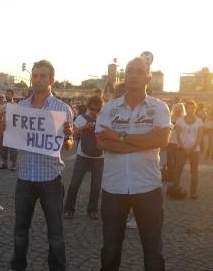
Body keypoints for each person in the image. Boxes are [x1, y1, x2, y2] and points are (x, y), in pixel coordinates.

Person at [96, 57, 171, 271]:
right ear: (124, 76)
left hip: (148, 187)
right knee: (110, 249)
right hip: (113, 187)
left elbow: (161, 139)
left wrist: (118, 137)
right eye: (130, 70)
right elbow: (101, 142)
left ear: (148, 78)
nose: (134, 74)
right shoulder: (109, 108)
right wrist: (141, 141)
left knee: (153, 250)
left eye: (140, 71)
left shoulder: (159, 108)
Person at [3, 60, 73, 271]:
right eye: (34, 76)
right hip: (24, 178)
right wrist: (4, 129)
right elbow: (11, 138)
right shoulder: (20, 108)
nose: (37, 80)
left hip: (51, 179)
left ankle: (58, 267)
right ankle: (18, 265)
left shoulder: (62, 109)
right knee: (20, 230)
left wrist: (68, 138)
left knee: (55, 233)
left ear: (51, 80)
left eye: (42, 76)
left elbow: (67, 146)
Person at [64, 96, 104, 220]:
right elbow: (72, 133)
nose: (95, 112)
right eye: (93, 109)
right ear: (88, 107)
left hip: (99, 156)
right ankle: (68, 209)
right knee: (75, 183)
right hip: (83, 155)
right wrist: (84, 127)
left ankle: (92, 210)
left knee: (96, 186)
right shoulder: (81, 118)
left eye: (98, 110)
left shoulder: (103, 120)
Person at [171, 100, 204, 199]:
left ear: (195, 109)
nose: (191, 110)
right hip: (181, 148)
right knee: (177, 170)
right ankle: (175, 190)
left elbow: (199, 136)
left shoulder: (199, 121)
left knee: (194, 171)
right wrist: (183, 147)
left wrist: (193, 147)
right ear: (186, 109)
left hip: (195, 150)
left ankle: (193, 192)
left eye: (193, 108)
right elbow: (178, 136)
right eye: (189, 108)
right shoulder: (180, 121)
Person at [0, 89, 18, 171]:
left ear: (12, 95)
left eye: (9, 94)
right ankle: (5, 164)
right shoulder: (3, 106)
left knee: (13, 149)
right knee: (2, 148)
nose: (7, 95)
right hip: (3, 130)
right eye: (6, 94)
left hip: (12, 130)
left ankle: (13, 165)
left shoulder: (16, 106)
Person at [166, 103, 186, 181]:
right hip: (170, 141)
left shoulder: (183, 119)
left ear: (181, 110)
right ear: (174, 110)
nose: (177, 111)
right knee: (169, 160)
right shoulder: (170, 118)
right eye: (176, 109)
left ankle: (175, 176)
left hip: (179, 142)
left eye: (179, 110)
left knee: (176, 160)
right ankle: (169, 174)